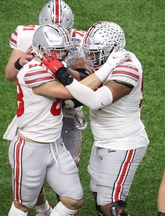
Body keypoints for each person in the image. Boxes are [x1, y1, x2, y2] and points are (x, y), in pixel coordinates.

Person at [8, 24, 129, 216]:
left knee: (74, 199)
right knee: (23, 205)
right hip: (31, 147)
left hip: (54, 144)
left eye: (63, 49)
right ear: (42, 49)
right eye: (56, 50)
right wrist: (110, 65)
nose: (62, 54)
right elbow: (75, 92)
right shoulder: (32, 71)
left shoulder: (54, 65)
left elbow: (79, 80)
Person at [55, 21, 149, 216]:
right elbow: (88, 79)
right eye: (89, 52)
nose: (90, 58)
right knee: (99, 199)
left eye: (95, 53)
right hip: (103, 140)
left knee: (110, 206)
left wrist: (66, 79)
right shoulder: (107, 62)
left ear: (114, 50)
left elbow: (96, 100)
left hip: (124, 142)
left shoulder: (127, 67)